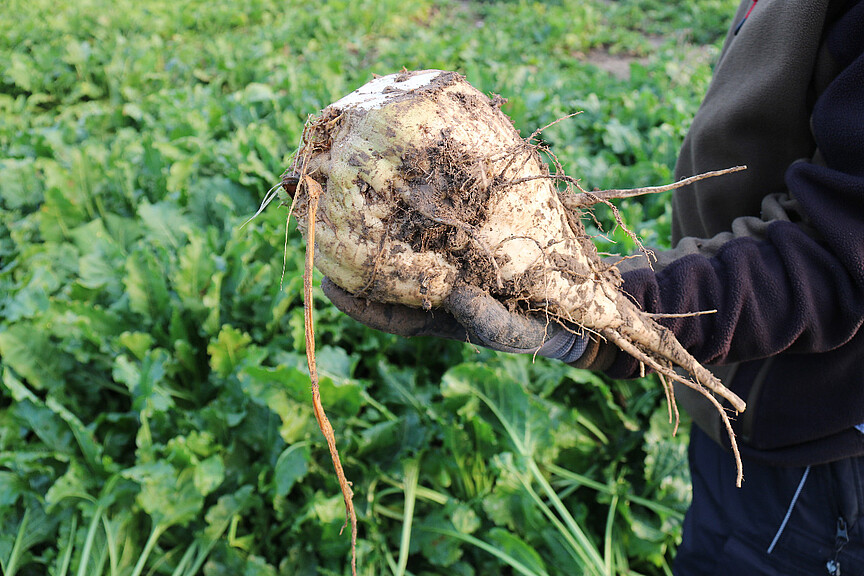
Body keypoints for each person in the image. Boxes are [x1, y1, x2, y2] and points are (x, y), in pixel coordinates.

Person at [323, 0, 864, 573]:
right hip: (747, 392)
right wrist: (590, 318)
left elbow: (840, 249)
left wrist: (611, 311)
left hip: (818, 437)